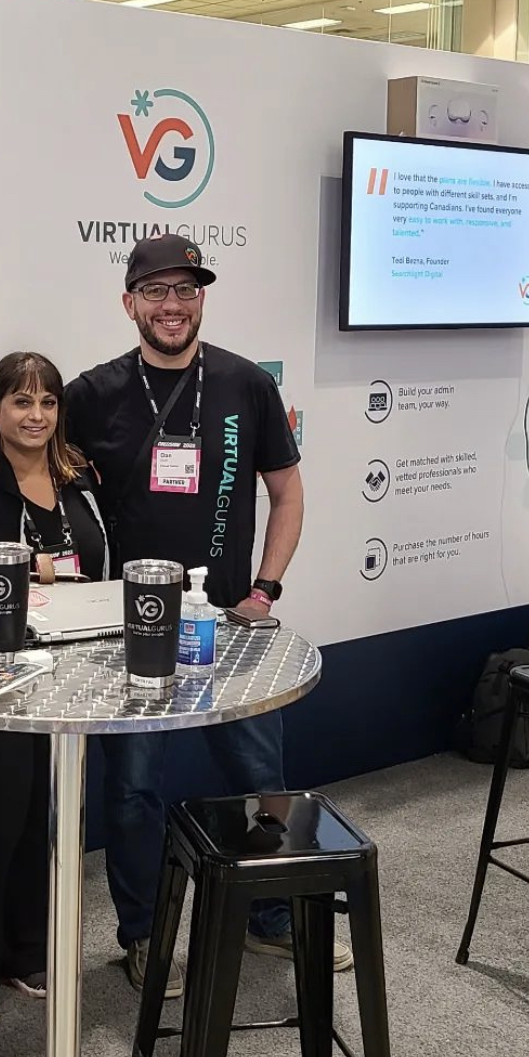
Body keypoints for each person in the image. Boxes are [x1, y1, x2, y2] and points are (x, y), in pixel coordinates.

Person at [61, 234, 352, 990]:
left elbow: (286, 492)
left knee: (260, 775)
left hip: (230, 625)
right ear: (129, 302)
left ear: (202, 301)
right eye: (155, 291)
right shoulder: (92, 394)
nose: (172, 306)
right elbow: (18, 447)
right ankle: (143, 935)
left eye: (186, 291)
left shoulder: (245, 384)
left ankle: (271, 921)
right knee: (131, 791)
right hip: (132, 634)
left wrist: (265, 590)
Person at [0, 351, 108, 1035]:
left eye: (46, 403)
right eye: (20, 402)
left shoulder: (80, 481)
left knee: (46, 818)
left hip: (69, 679)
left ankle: (23, 951)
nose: (35, 416)